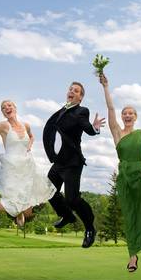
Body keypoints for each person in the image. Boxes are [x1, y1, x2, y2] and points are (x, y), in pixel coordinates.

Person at [98, 72, 141, 272]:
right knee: (131, 215)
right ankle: (133, 256)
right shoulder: (117, 134)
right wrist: (105, 87)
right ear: (122, 117)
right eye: (124, 113)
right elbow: (110, 108)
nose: (127, 115)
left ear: (135, 117)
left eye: (131, 113)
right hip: (126, 179)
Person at [0, 100, 56, 226]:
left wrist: (29, 146)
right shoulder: (3, 126)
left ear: (15, 108)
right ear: (3, 113)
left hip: (27, 166)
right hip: (11, 168)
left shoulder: (26, 125)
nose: (6, 108)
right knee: (12, 203)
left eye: (9, 105)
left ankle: (18, 212)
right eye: (3, 108)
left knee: (35, 194)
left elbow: (31, 137)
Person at [43, 82, 105, 247]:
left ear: (80, 97)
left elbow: (88, 128)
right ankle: (67, 216)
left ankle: (90, 228)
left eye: (76, 91)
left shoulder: (81, 111)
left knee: (72, 199)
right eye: (70, 89)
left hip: (72, 163)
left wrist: (95, 128)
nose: (72, 91)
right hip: (59, 162)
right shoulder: (61, 111)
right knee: (47, 190)